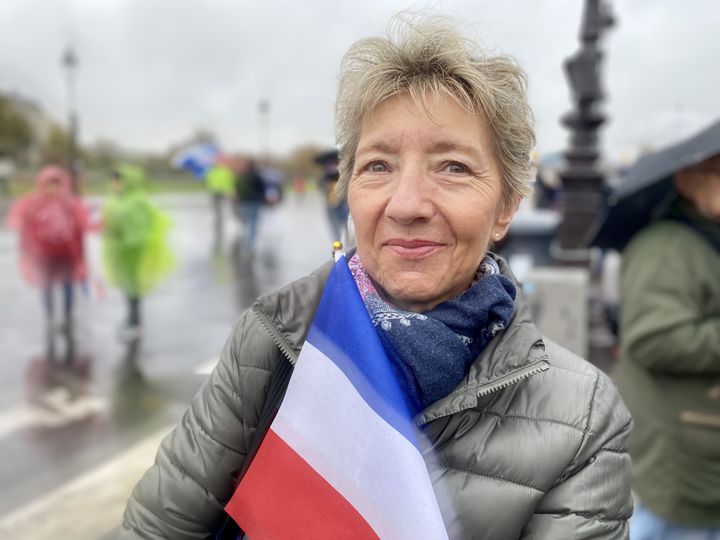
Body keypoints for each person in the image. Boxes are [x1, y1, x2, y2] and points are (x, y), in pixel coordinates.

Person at [122, 16, 632, 538]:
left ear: (505, 209)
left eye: (452, 166)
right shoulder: (273, 338)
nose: (406, 204)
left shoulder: (582, 420)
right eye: (378, 166)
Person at [615, 152, 720, 539]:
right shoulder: (666, 246)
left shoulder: (707, 236)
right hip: (685, 448)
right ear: (685, 180)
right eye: (716, 172)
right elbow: (654, 338)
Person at [6, 165, 89, 340]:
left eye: (56, 184)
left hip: (66, 254)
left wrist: (81, 257)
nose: (53, 188)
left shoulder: (70, 204)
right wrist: (25, 252)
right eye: (49, 184)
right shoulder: (33, 204)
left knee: (67, 285)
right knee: (46, 287)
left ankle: (66, 317)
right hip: (44, 256)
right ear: (42, 184)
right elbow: (24, 229)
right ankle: (50, 316)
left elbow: (80, 230)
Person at [101, 164, 174, 341]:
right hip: (120, 252)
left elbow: (145, 226)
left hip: (133, 253)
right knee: (127, 289)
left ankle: (136, 325)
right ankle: (130, 320)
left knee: (134, 290)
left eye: (118, 180)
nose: (115, 184)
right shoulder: (116, 199)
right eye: (113, 180)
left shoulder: (138, 200)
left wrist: (126, 238)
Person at [233, 158, 266, 255]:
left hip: (243, 203)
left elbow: (237, 190)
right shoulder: (257, 176)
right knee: (253, 225)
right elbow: (262, 190)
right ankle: (250, 245)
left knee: (245, 223)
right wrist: (262, 200)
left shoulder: (241, 177)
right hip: (254, 203)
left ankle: (245, 242)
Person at [204, 156, 236, 241]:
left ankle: (225, 220)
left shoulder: (225, 171)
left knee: (227, 207)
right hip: (214, 191)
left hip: (224, 191)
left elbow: (229, 181)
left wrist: (230, 191)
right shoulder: (210, 171)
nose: (215, 163)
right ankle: (218, 221)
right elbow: (208, 181)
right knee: (216, 208)